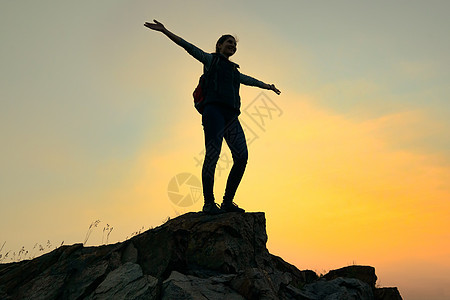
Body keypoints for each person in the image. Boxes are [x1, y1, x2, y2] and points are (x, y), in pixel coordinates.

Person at [144, 20, 281, 214]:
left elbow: (249, 80)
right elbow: (188, 47)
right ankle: (209, 203)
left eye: (234, 44)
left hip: (231, 116)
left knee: (242, 157)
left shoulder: (234, 71)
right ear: (219, 45)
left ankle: (227, 202)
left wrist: (267, 86)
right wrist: (166, 31)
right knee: (213, 156)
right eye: (229, 42)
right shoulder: (210, 60)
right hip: (213, 113)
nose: (232, 46)